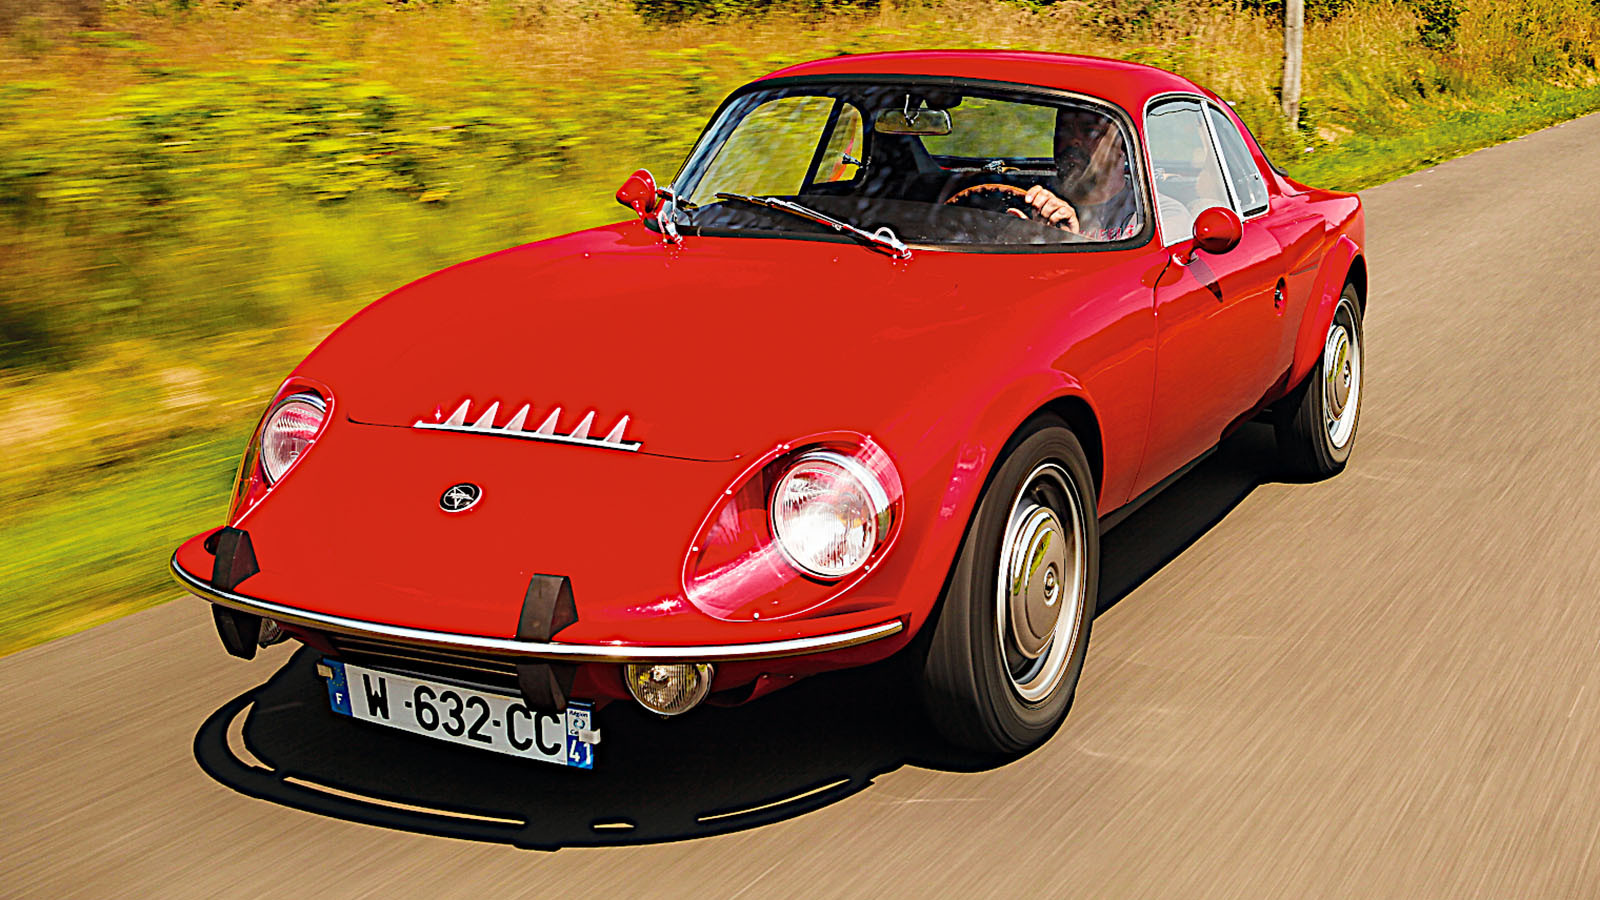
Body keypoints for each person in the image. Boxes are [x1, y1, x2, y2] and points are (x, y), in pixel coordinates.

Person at [1020, 108, 1140, 241]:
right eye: (1065, 131)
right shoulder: (1033, 205)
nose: (1073, 141)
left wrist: (1069, 239)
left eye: (1090, 132)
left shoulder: (1147, 211)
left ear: (1123, 145)